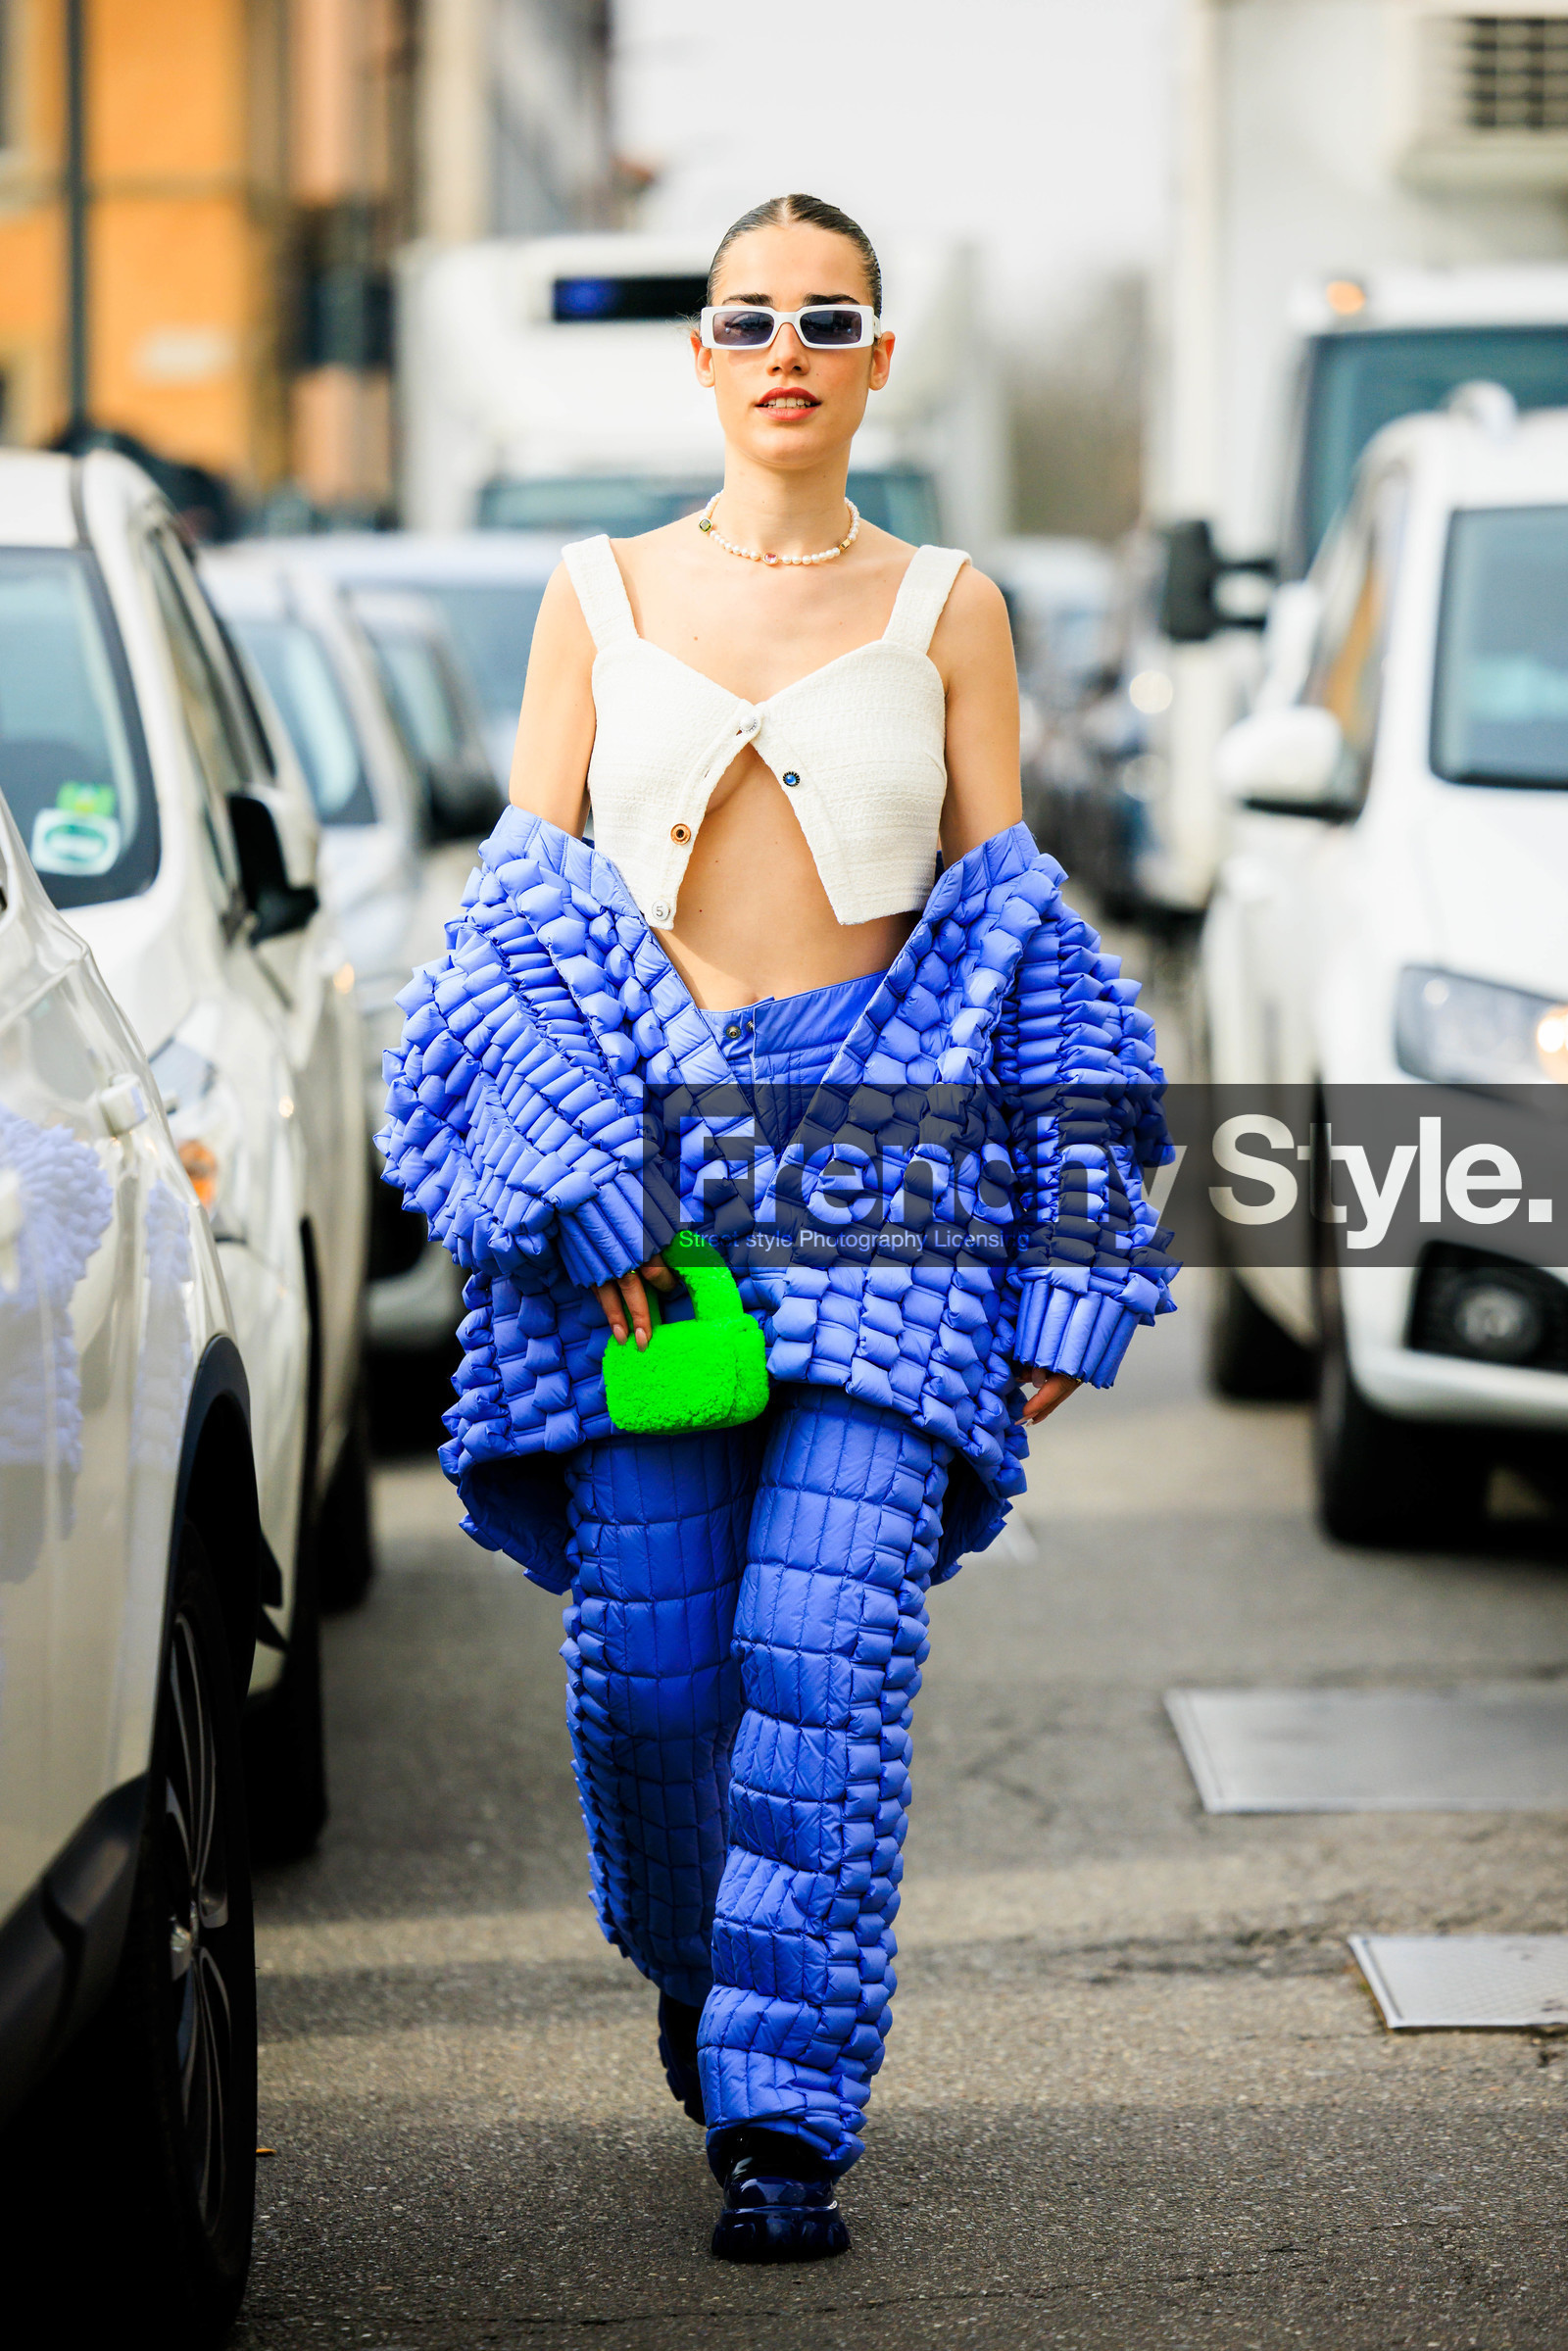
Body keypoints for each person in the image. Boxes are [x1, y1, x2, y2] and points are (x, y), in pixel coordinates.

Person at [380, 193, 1175, 2264]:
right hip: (649, 1224)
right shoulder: (594, 590)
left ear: (876, 356)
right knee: (648, 1682)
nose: (787, 347)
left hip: (895, 1192)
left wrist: (1066, 1263)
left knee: (818, 1653)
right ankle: (701, 1981)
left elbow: (1020, 949)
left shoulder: (948, 607)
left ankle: (783, 2122)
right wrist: (583, 1181)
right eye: (749, 318)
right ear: (706, 355)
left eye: (828, 316)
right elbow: (516, 936)